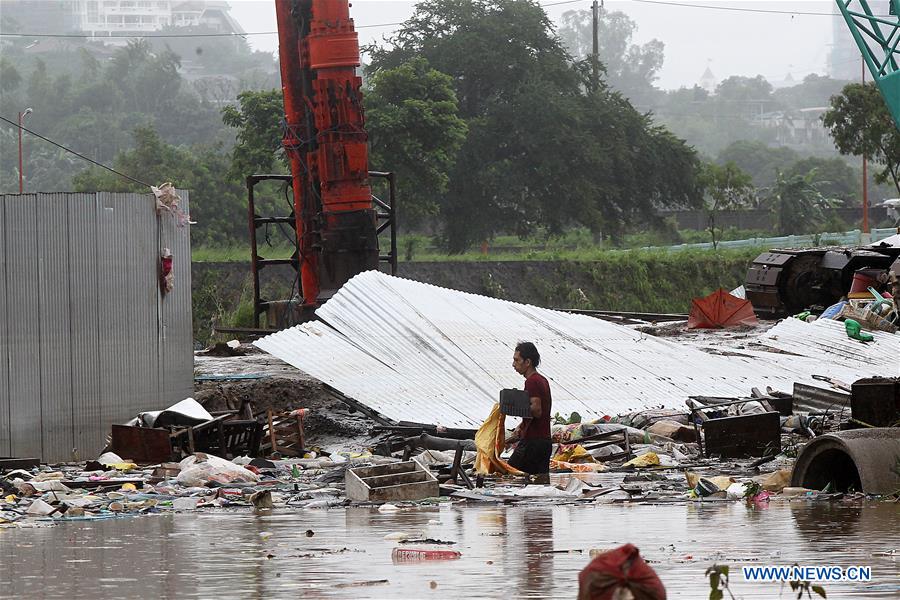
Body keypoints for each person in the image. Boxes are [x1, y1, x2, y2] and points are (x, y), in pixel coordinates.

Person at [508, 341, 552, 477]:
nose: (514, 364)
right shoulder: (542, 380)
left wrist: (514, 406)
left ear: (527, 362)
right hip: (544, 441)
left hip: (533, 442)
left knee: (511, 474)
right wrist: (521, 426)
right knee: (539, 482)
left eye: (517, 360)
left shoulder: (531, 381)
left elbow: (537, 410)